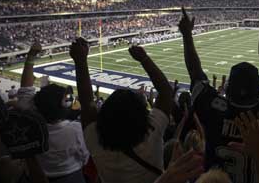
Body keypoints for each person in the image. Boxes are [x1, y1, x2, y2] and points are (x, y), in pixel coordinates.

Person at [179, 8, 259, 183]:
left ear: (228, 89)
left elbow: (195, 72)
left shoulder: (214, 112)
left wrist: (186, 35)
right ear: (258, 91)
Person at [71, 37, 202, 183]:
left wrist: (80, 61)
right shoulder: (152, 132)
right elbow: (166, 92)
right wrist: (144, 58)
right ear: (141, 113)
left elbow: (86, 102)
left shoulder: (95, 139)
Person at [17, 42, 90, 182]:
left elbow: (25, 89)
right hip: (70, 177)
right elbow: (84, 157)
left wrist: (31, 56)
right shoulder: (74, 129)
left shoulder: (28, 117)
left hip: (34, 175)